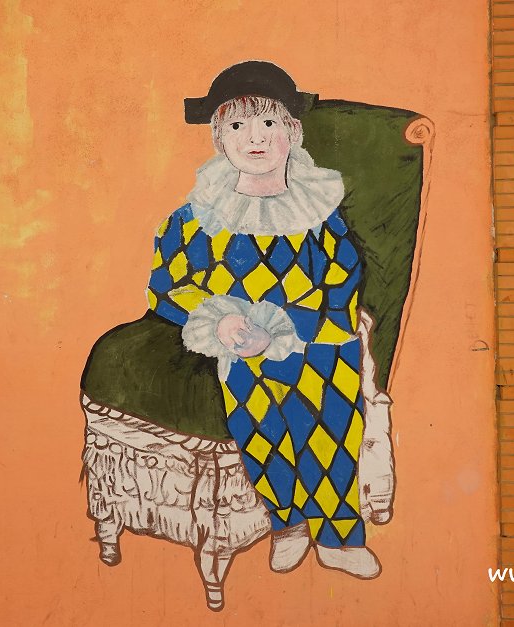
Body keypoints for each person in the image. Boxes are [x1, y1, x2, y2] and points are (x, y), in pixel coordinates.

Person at [146, 61, 380, 579]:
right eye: (237, 125)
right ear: (219, 139)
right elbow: (168, 286)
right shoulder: (195, 219)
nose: (255, 137)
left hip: (315, 338)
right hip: (241, 342)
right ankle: (288, 521)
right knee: (260, 423)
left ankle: (339, 534)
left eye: (269, 123)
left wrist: (301, 328)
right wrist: (221, 322)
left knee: (330, 421)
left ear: (292, 133)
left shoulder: (319, 215)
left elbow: (343, 278)